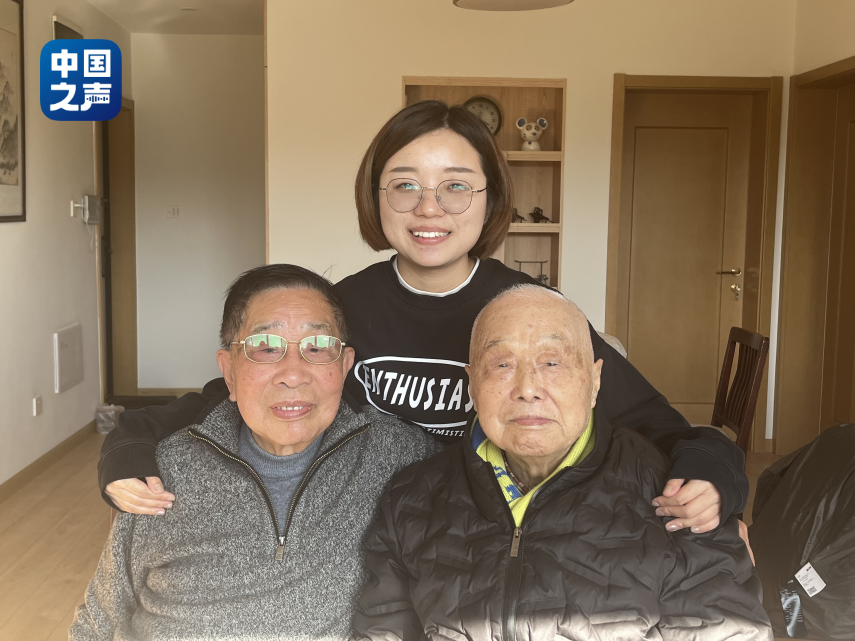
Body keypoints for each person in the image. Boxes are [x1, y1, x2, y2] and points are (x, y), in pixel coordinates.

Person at [98, 100, 746, 534]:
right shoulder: (342, 307)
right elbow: (233, 397)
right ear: (376, 197)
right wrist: (127, 448)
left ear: (489, 196)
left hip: (493, 542)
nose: (428, 208)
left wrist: (713, 478)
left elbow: (661, 427)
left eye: (455, 185)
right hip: (364, 537)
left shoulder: (529, 312)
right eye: (404, 184)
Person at [351, 285, 772, 640]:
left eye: (552, 362)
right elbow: (384, 629)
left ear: (596, 381)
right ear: (472, 385)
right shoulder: (412, 498)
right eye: (501, 364)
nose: (528, 387)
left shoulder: (680, 498)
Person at [70, 265, 439, 640]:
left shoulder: (396, 455)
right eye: (265, 348)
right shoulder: (164, 472)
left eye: (317, 347)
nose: (293, 374)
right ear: (229, 372)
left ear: (344, 367)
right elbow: (97, 622)